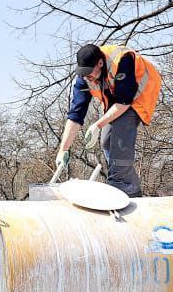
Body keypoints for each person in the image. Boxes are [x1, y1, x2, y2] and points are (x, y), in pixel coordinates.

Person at [55, 44, 162, 197]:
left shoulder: (121, 61)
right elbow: (75, 115)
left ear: (99, 63)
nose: (86, 77)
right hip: (117, 99)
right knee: (106, 140)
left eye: (89, 73)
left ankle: (121, 185)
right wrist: (63, 149)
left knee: (119, 137)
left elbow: (124, 102)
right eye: (83, 73)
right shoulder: (85, 77)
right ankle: (130, 184)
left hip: (140, 93)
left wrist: (98, 124)